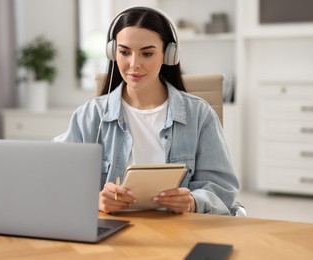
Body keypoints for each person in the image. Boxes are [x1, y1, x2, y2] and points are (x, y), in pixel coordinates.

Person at [53, 6, 239, 215]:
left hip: (179, 230)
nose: (134, 64)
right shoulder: (89, 115)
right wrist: (94, 199)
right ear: (113, 52)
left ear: (168, 55)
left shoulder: (200, 114)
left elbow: (223, 189)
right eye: (124, 52)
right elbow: (58, 180)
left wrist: (192, 202)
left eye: (147, 53)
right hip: (115, 231)